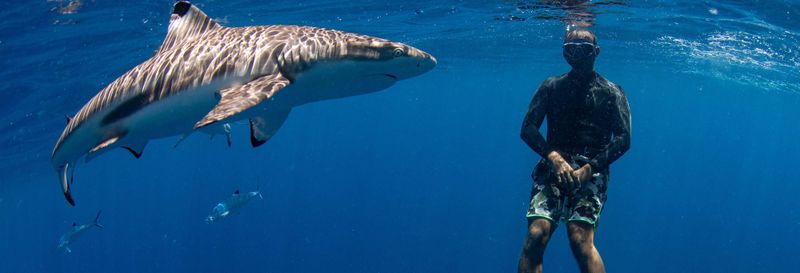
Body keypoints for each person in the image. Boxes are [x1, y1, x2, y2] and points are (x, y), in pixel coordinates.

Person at [517, 28, 631, 273]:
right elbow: (527, 129)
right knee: (536, 234)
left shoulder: (612, 91)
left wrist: (589, 169)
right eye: (571, 50)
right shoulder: (551, 86)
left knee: (580, 238)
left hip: (593, 169)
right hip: (553, 168)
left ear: (596, 52)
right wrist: (553, 157)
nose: (578, 56)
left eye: (584, 50)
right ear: (564, 54)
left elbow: (623, 140)